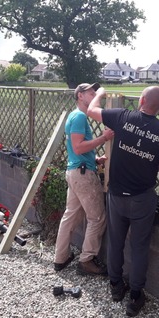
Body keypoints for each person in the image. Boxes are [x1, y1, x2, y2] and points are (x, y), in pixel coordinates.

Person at [87, 86, 159, 317]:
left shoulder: (123, 117)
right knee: (139, 248)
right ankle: (135, 296)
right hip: (142, 199)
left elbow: (91, 109)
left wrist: (100, 93)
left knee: (115, 241)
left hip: (116, 195)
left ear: (142, 100)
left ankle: (116, 287)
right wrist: (152, 159)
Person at [53, 82, 114, 276]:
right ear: (80, 95)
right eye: (91, 92)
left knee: (70, 217)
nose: (95, 94)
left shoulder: (74, 116)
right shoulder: (79, 116)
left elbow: (75, 149)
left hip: (75, 171)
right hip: (83, 176)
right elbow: (79, 147)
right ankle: (86, 260)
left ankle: (60, 258)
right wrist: (104, 138)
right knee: (97, 218)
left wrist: (94, 159)